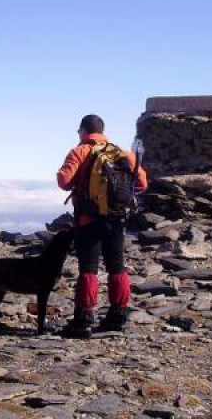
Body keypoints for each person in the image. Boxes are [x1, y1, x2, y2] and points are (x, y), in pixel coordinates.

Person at [57, 114, 147, 338]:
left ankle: (83, 320)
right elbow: (142, 183)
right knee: (117, 266)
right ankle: (117, 316)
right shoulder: (122, 153)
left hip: (88, 219)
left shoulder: (80, 151)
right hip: (117, 219)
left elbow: (64, 181)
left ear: (83, 131)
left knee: (88, 268)